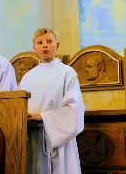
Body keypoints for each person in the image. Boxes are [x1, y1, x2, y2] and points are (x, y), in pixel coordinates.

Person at [18, 28, 85, 174]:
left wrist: (44, 117)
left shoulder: (67, 73)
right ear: (34, 48)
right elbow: (19, 104)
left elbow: (74, 108)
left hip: (57, 136)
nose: (45, 45)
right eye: (40, 42)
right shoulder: (28, 77)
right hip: (33, 136)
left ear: (57, 45)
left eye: (49, 41)